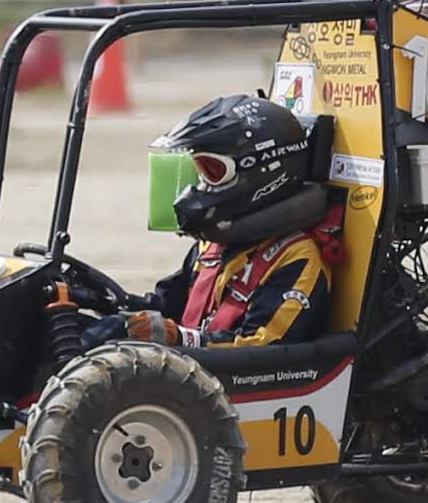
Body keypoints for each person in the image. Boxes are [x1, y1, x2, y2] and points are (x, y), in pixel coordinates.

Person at [143, 92, 347, 349]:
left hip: (237, 382)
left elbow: (264, 346)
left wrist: (181, 338)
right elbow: (166, 306)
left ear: (264, 171)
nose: (203, 186)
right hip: (192, 379)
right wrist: (109, 304)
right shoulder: (214, 245)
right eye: (201, 171)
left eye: (213, 172)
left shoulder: (297, 257)